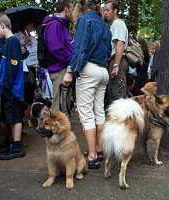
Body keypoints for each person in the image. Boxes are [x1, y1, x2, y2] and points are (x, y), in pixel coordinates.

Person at [63, 0, 112, 169]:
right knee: (99, 111)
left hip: (88, 69)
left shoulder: (85, 20)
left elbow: (80, 48)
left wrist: (70, 71)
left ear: (80, 8)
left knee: (86, 113)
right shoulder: (104, 24)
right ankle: (99, 149)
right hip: (103, 71)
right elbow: (109, 51)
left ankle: (92, 156)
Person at [0, 14, 25, 160]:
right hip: (8, 87)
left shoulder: (12, 42)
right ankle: (13, 144)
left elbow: (13, 64)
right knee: (9, 116)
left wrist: (8, 85)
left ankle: (17, 147)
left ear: (2, 26)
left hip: (12, 88)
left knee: (15, 117)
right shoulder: (10, 42)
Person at [43, 0, 74, 111]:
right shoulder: (54, 25)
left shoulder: (62, 25)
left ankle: (62, 127)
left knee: (64, 105)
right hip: (59, 69)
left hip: (64, 68)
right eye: (71, 9)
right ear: (65, 9)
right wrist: (70, 58)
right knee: (59, 107)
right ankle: (55, 128)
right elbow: (55, 48)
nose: (72, 12)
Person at [104, 0, 129, 106]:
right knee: (112, 94)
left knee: (116, 96)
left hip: (117, 61)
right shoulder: (114, 25)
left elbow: (120, 44)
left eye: (107, 10)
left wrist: (116, 65)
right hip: (116, 61)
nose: (105, 12)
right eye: (104, 10)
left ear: (115, 11)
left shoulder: (118, 24)